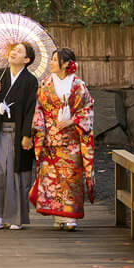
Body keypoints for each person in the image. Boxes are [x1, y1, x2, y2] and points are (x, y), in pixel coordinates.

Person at [29, 47, 94, 230]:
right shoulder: (45, 84)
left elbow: (88, 108)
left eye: (55, 60)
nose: (51, 62)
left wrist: (72, 120)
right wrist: (40, 127)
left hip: (71, 140)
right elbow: (38, 108)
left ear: (66, 64)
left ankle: (71, 216)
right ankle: (58, 215)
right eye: (52, 59)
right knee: (53, 179)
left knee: (71, 179)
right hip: (50, 139)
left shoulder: (77, 85)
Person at [0, 41, 38, 230]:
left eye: (19, 51)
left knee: (17, 173)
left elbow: (31, 110)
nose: (14, 52)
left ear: (27, 60)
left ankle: (16, 218)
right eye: (13, 50)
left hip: (18, 132)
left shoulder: (31, 81)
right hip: (0, 131)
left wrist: (27, 135)